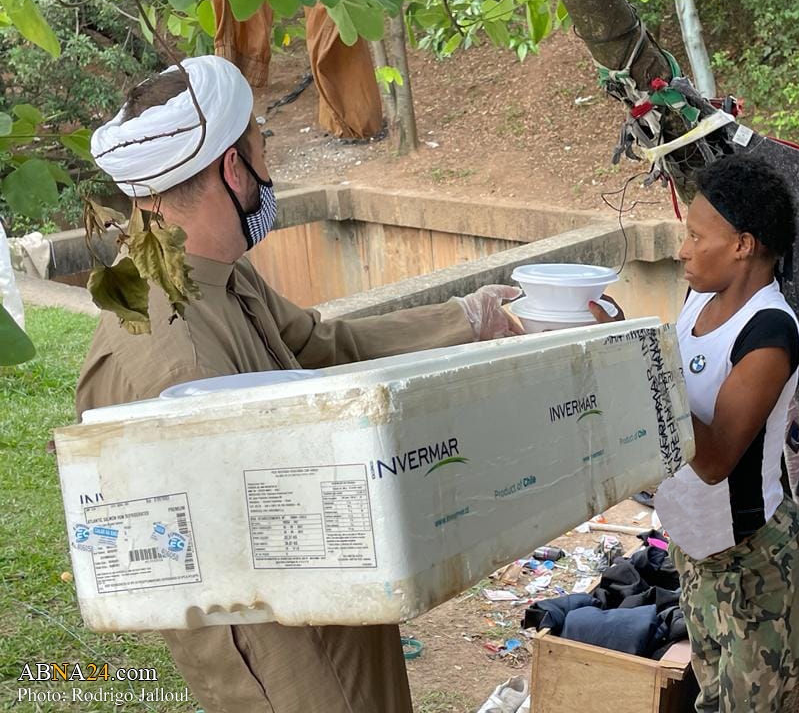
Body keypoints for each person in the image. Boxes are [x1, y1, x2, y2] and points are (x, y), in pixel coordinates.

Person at [76, 55, 521, 713]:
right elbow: (204, 551)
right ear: (232, 168)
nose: (268, 170)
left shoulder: (212, 271)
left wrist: (466, 319)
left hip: (335, 603)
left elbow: (317, 348)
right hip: (284, 653)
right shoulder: (172, 355)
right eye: (262, 150)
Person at [593, 153, 799, 711]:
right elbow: (673, 382)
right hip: (695, 549)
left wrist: (635, 365)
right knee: (708, 694)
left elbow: (713, 459)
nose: (683, 249)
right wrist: (623, 341)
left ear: (742, 245)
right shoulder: (697, 299)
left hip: (750, 563)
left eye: (695, 236)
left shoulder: (768, 332)